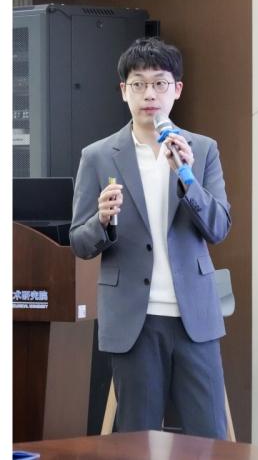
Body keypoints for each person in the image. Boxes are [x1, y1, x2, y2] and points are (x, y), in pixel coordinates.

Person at [70, 37, 231, 439]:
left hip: (194, 318)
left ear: (177, 89)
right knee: (138, 441)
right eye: (138, 84)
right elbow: (80, 242)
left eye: (160, 83)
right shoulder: (98, 156)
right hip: (134, 321)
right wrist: (102, 220)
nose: (149, 94)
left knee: (208, 438)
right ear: (123, 91)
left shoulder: (202, 150)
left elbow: (219, 227)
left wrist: (188, 180)